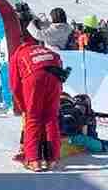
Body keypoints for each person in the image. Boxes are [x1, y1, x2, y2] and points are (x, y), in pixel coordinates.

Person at [10, 14, 69, 172]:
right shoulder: (46, 49)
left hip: (34, 78)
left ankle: (33, 160)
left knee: (33, 118)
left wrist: (23, 107)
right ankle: (52, 159)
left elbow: (15, 85)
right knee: (51, 118)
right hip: (55, 76)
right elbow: (59, 67)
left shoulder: (18, 54)